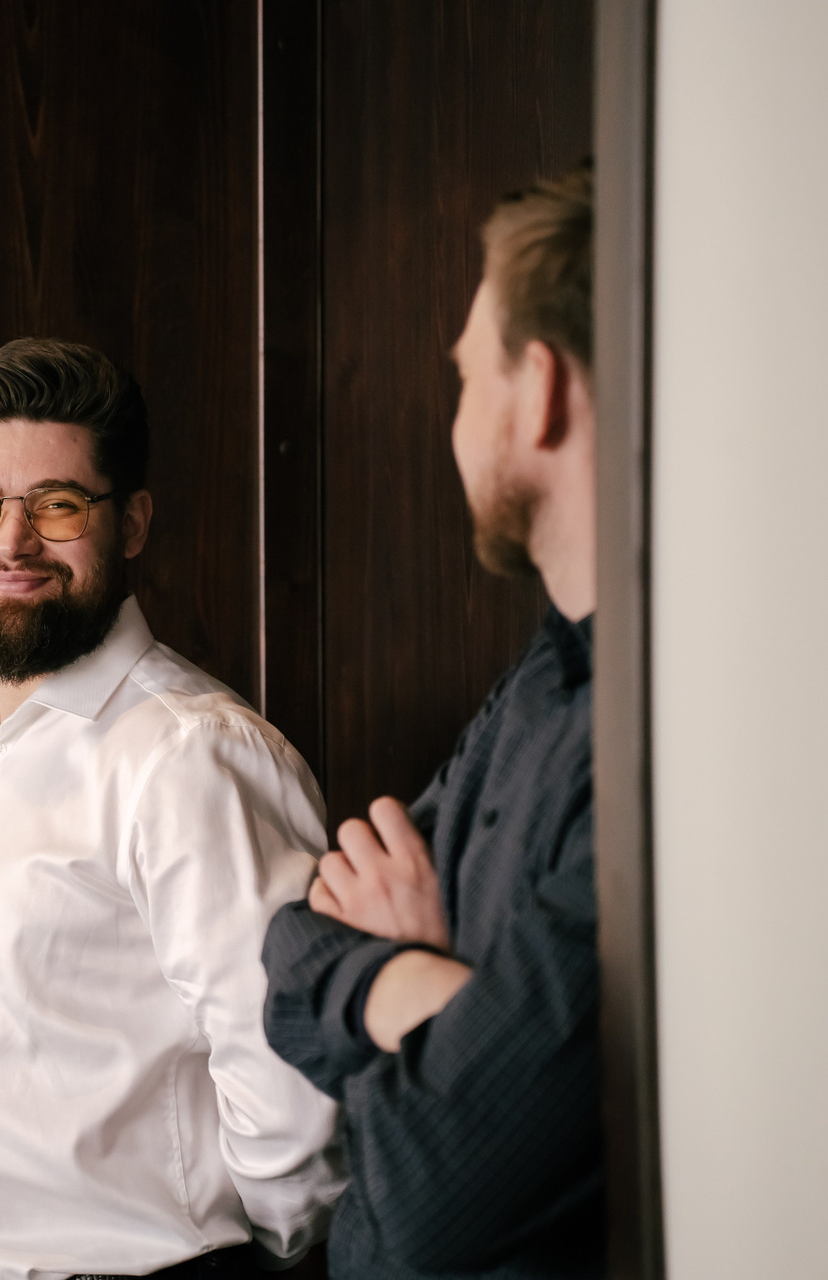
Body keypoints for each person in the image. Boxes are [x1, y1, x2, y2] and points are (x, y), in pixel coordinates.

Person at [0, 338, 344, 1280]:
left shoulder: (189, 756)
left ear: (130, 524)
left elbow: (294, 1103)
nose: (9, 542)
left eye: (57, 505)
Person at [261, 166, 602, 1279]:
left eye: (465, 377)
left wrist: (395, 962)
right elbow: (292, 952)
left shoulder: (653, 755)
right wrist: (436, 996)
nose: (454, 421)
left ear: (539, 391)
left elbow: (425, 1204)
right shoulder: (537, 682)